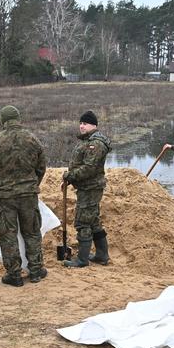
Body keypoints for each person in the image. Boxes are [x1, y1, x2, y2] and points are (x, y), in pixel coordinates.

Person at [0, 106, 47, 287]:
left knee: (8, 235)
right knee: (32, 232)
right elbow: (41, 167)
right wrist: (33, 185)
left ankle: (14, 274)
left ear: (3, 120)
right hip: (28, 195)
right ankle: (36, 270)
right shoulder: (33, 139)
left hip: (4, 197)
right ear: (18, 118)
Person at [63, 110, 112, 268]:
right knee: (93, 222)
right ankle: (102, 255)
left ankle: (82, 260)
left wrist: (71, 175)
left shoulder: (95, 144)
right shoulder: (87, 140)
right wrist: (71, 178)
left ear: (94, 125)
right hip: (87, 187)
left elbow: (89, 168)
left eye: (85, 123)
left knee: (83, 222)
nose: (82, 126)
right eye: (81, 123)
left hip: (90, 188)